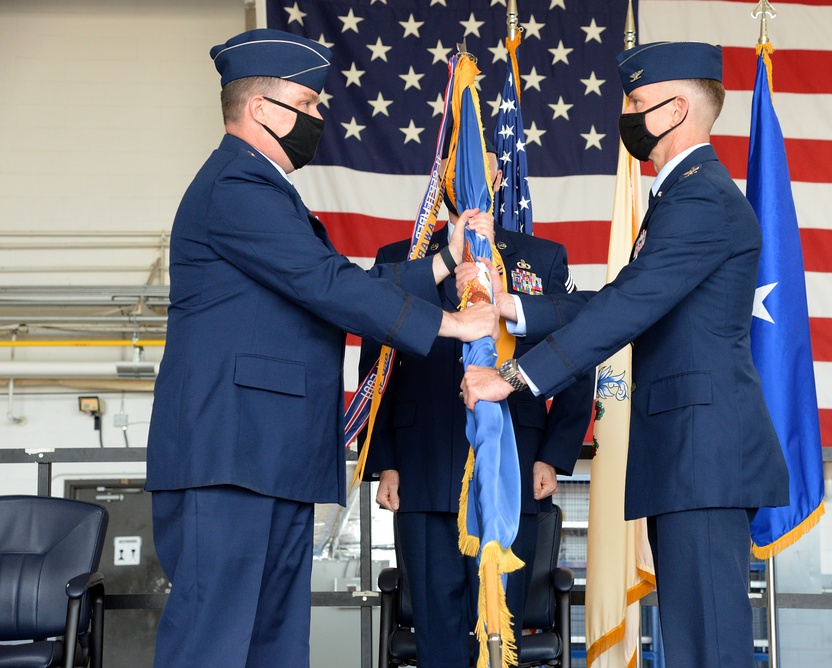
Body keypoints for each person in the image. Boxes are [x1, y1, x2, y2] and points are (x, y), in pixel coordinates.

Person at [145, 29, 497, 668]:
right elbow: (327, 285)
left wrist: (446, 259)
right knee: (214, 643)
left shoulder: (264, 190)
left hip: (266, 454)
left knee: (273, 644)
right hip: (229, 453)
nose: (318, 117)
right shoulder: (237, 185)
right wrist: (452, 326)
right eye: (306, 104)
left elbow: (333, 286)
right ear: (259, 110)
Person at [460, 42, 790, 668]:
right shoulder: (684, 196)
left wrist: (514, 376)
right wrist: (514, 309)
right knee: (695, 641)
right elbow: (626, 299)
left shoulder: (700, 199)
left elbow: (629, 307)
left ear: (678, 108)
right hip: (688, 452)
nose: (630, 115)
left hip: (703, 452)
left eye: (638, 103)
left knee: (709, 645)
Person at [361, 144, 594, 667]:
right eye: (459, 167)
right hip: (422, 471)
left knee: (500, 625)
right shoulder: (399, 261)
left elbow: (579, 356)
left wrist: (554, 455)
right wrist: (385, 461)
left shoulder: (542, 258)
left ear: (498, 179)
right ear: (440, 176)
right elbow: (376, 370)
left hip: (513, 466)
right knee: (438, 633)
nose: (470, 179)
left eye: (483, 168)